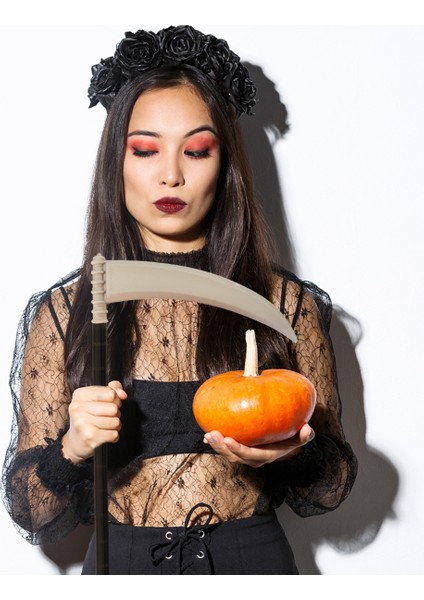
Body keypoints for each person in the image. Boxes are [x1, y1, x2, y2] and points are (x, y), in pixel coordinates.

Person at [1, 25, 357, 575]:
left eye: (196, 150)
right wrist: (72, 448)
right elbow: (30, 511)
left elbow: (331, 488)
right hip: (121, 568)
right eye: (146, 150)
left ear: (225, 164)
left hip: (252, 564)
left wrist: (296, 450)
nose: (171, 174)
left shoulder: (284, 304)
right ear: (116, 163)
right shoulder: (67, 312)